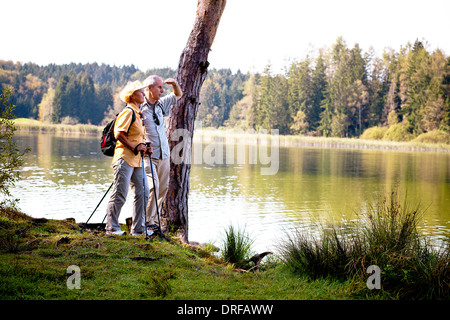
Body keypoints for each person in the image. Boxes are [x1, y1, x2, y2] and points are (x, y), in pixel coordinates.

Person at [105, 80, 152, 236]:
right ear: (132, 96)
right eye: (141, 92)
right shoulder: (128, 112)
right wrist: (134, 147)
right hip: (124, 158)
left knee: (143, 192)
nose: (144, 94)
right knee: (120, 192)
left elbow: (136, 138)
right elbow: (119, 134)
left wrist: (145, 147)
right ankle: (111, 228)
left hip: (137, 160)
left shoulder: (139, 114)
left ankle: (138, 229)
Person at [141, 75, 182, 234]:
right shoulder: (139, 108)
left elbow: (178, 95)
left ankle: (153, 221)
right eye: (159, 87)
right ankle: (146, 221)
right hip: (148, 156)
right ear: (149, 88)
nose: (162, 90)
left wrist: (175, 84)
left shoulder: (160, 105)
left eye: (162, 87)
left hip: (164, 155)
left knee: (163, 188)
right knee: (153, 187)